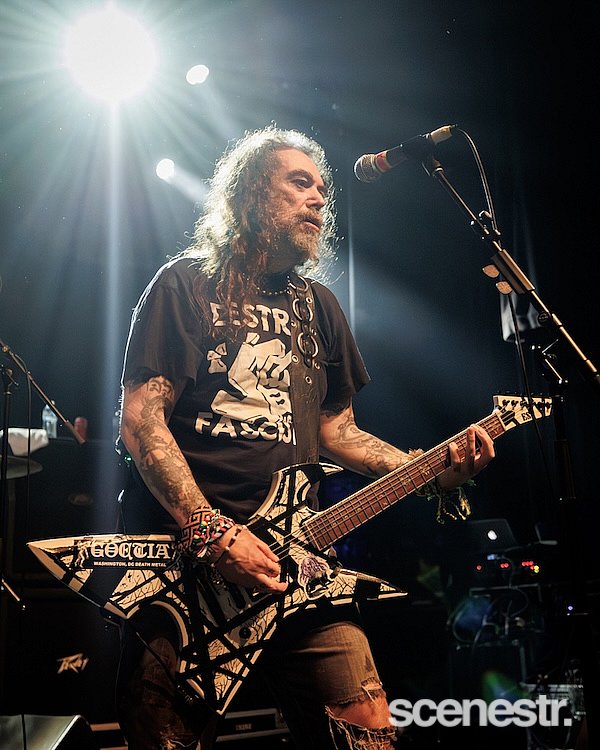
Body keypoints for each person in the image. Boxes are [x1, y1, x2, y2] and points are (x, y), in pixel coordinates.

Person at [115, 125, 495, 750]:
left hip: (299, 559)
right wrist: (210, 529)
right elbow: (142, 420)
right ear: (250, 195)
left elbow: (338, 432)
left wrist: (430, 469)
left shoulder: (318, 306)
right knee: (164, 737)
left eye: (322, 188)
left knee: (368, 733)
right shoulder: (185, 284)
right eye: (299, 183)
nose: (319, 198)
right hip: (186, 565)